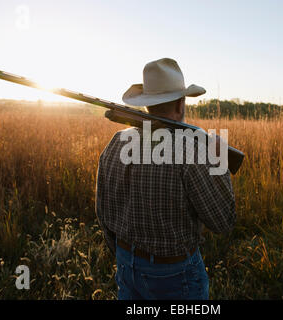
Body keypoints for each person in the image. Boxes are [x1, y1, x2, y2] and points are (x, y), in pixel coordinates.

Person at [95, 58, 236, 300]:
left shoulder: (116, 142)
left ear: (147, 104)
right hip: (175, 274)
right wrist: (219, 160)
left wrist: (124, 254)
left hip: (126, 263)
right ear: (181, 104)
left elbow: (103, 212)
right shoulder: (192, 150)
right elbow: (223, 221)